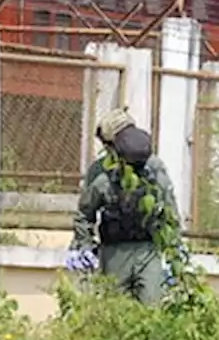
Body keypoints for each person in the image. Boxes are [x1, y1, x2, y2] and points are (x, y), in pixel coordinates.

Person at [65, 108, 182, 305]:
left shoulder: (153, 168)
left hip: (148, 249)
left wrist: (175, 250)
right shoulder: (101, 174)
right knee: (114, 313)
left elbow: (169, 211)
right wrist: (83, 246)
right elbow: (85, 215)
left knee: (151, 313)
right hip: (114, 252)